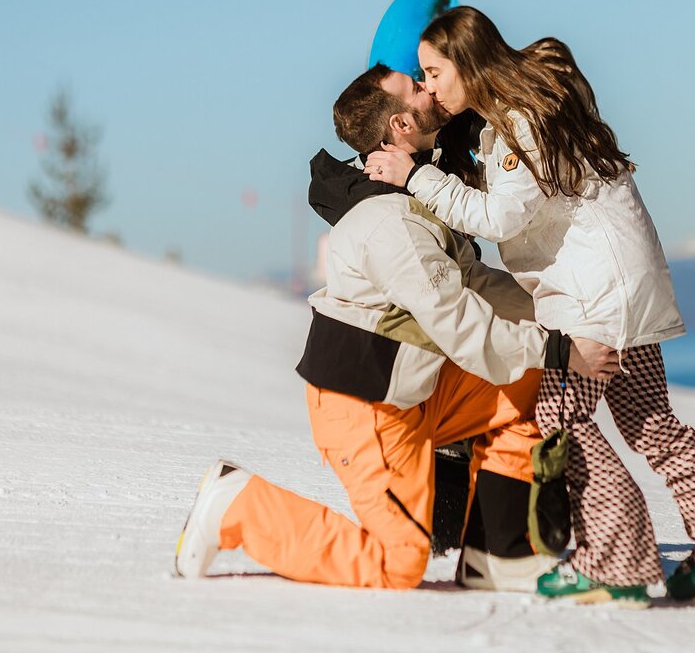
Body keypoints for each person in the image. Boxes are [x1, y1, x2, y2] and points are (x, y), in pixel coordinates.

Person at [366, 6, 695, 606]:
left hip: (595, 300)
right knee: (652, 424)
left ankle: (617, 563)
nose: (428, 86)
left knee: (560, 419)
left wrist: (416, 178)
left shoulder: (517, 124)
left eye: (433, 71)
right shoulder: (517, 118)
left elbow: (501, 217)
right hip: (619, 289)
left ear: (466, 62)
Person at [174, 65, 620, 592]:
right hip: (366, 408)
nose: (428, 87)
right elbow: (461, 323)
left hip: (414, 391)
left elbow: (472, 279)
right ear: (401, 127)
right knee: (398, 564)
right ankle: (238, 505)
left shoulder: (412, 195)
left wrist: (560, 310)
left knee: (527, 383)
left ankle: (495, 555)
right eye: (416, 86)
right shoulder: (390, 222)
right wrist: (560, 348)